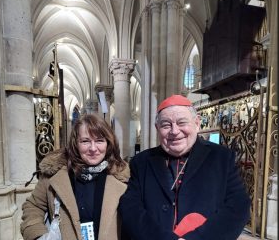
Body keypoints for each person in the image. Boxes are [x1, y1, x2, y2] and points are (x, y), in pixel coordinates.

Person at [119, 95, 250, 240]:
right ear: (157, 128)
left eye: (182, 123)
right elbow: (131, 207)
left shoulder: (222, 158)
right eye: (166, 125)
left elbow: (238, 207)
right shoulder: (141, 161)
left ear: (197, 123)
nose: (174, 131)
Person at [21, 114, 130, 240]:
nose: (93, 148)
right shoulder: (54, 173)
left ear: (108, 143)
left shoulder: (122, 177)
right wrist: (38, 235)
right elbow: (34, 206)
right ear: (75, 143)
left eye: (100, 140)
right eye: (85, 141)